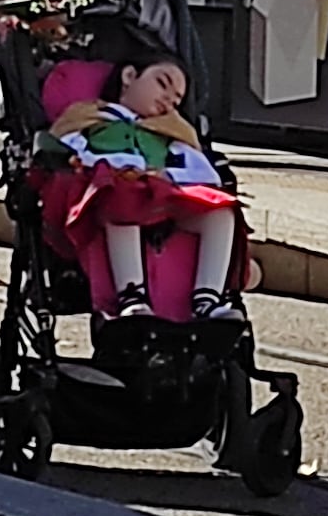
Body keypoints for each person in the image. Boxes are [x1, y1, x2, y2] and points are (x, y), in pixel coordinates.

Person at [39, 51, 241, 321]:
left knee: (221, 212)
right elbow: (66, 152)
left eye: (177, 99)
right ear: (129, 76)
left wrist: (170, 175)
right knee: (124, 198)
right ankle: (131, 295)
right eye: (163, 83)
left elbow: (201, 170)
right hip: (110, 194)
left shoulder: (170, 131)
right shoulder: (88, 117)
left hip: (161, 194)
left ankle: (208, 299)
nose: (169, 99)